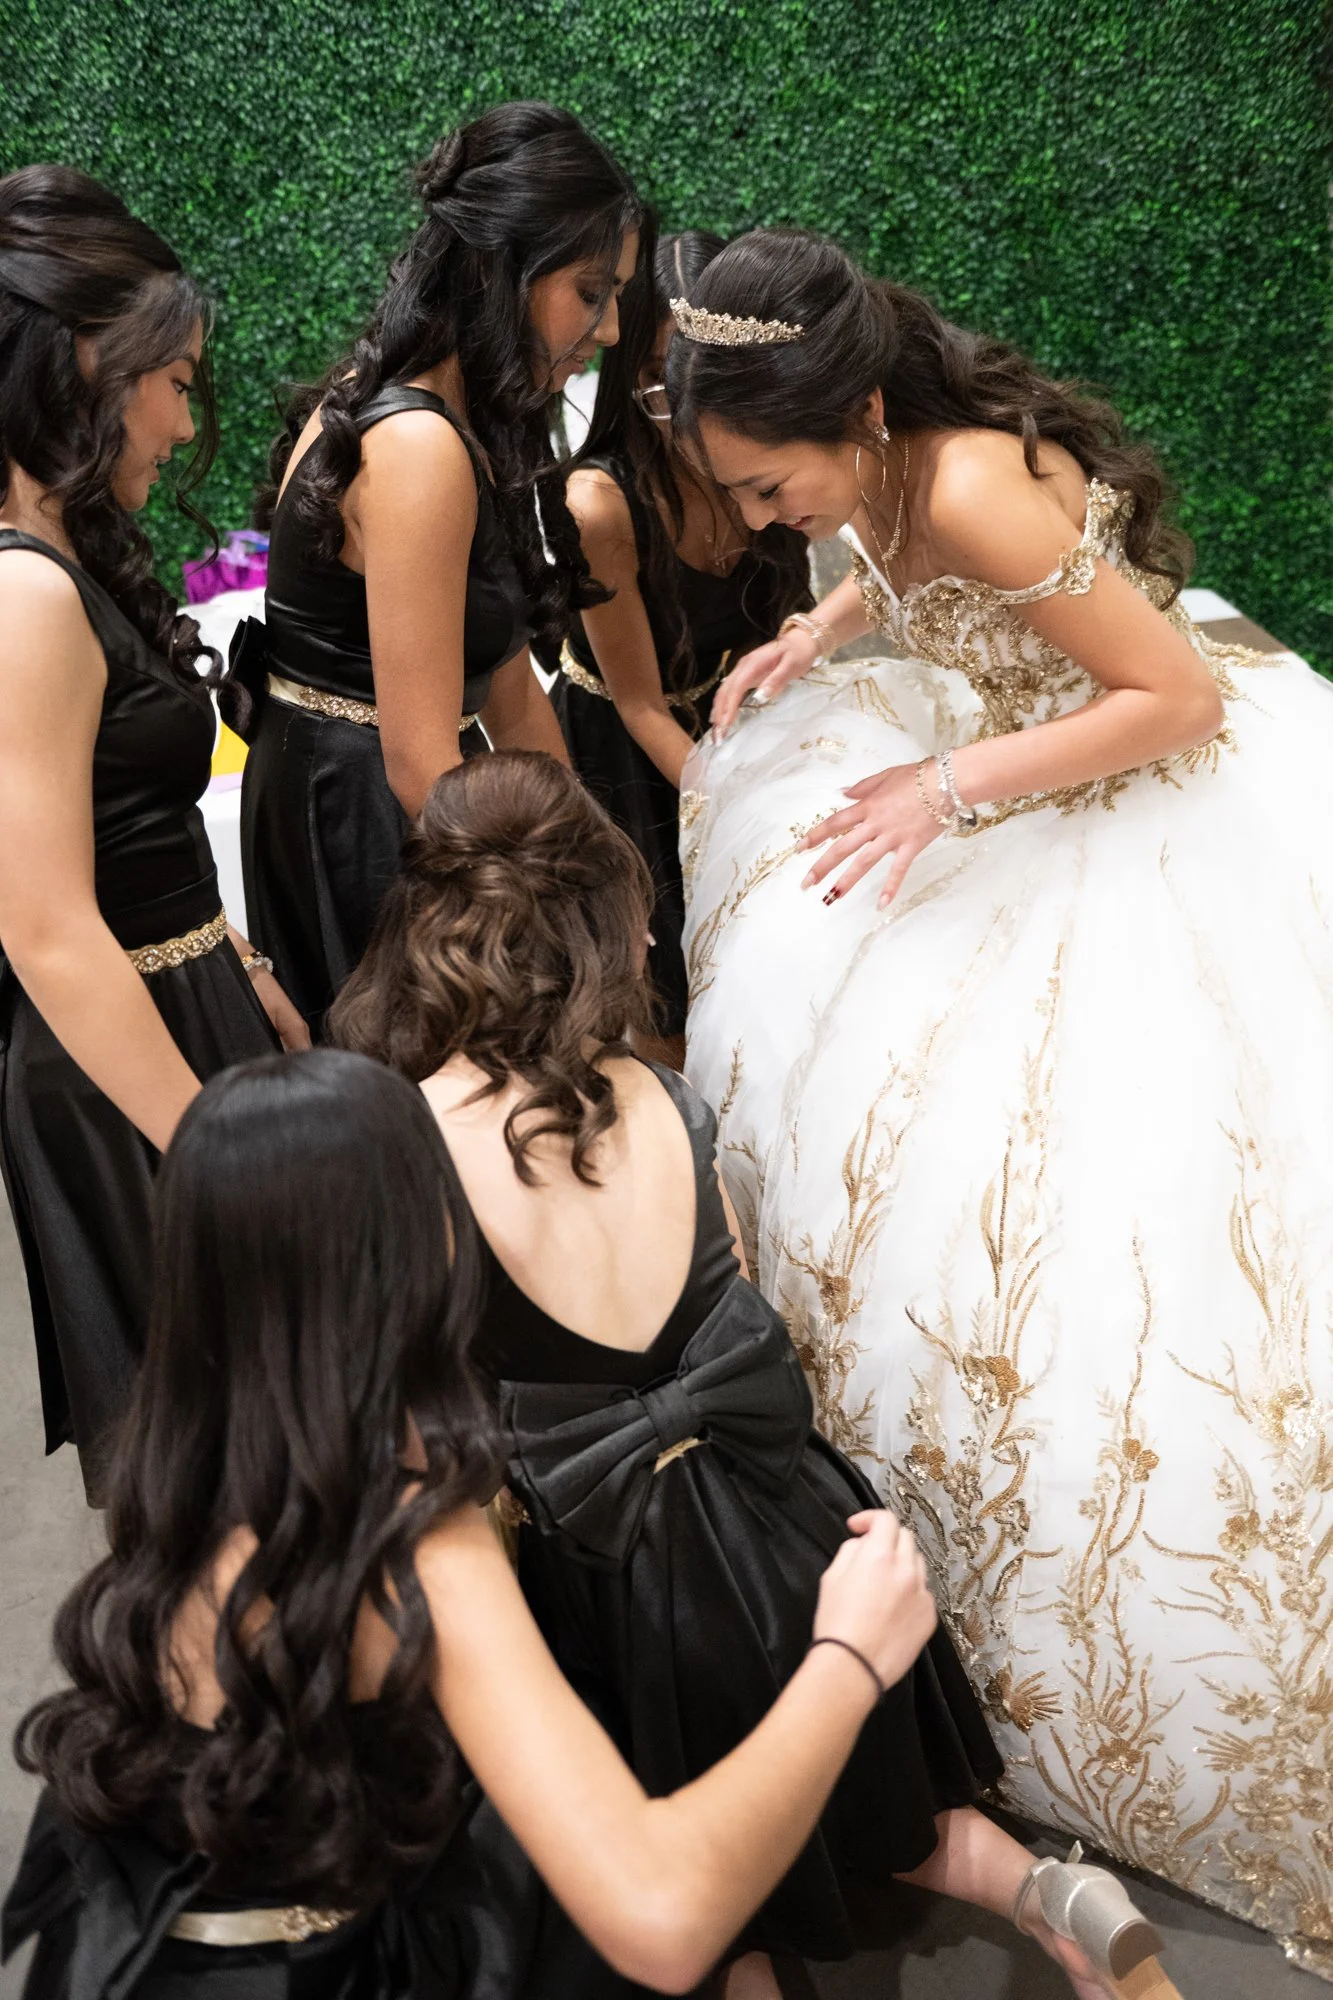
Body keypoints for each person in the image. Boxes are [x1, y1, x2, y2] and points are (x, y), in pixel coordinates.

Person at [664, 225, 1333, 1975]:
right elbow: (889, 553)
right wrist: (817, 636)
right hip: (1007, 767)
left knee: (1130, 1232)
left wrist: (941, 785)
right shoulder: (886, 476)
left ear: (858, 408)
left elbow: (1170, 699)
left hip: (1122, 813)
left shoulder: (963, 477)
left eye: (763, 481)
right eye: (732, 490)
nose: (753, 518)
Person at [332, 750, 1177, 2000]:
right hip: (789, 1521)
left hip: (612, 1579)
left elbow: (421, 1395)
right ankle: (1052, 1893)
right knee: (894, 1799)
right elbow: (734, 1285)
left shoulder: (412, 1141)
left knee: (713, 1904)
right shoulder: (664, 1097)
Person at [2, 1049, 938, 2000]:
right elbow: (663, 1917)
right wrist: (849, 1658)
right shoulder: (405, 1533)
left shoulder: (181, 1475)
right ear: (424, 1245)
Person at [0, 165, 307, 1502]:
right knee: (217, 1478)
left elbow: (127, 856)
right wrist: (210, 1155)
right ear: (84, 364)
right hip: (120, 1054)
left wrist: (234, 967)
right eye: (175, 381)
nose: (187, 421)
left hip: (177, 1002)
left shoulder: (61, 557)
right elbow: (47, 927)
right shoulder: (23, 596)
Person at [238, 101, 647, 1037]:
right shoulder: (419, 444)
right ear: (506, 269)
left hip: (402, 801)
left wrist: (603, 863)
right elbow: (422, 757)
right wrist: (569, 919)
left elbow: (509, 688)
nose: (612, 329)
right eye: (591, 291)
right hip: (367, 823)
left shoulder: (466, 416)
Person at [555, 231, 810, 1063]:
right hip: (632, 749)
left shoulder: (771, 456)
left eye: (708, 371)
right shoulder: (601, 505)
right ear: (629, 371)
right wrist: (739, 808)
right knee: (672, 1001)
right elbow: (635, 703)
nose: (690, 402)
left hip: (737, 722)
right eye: (665, 374)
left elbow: (791, 626)